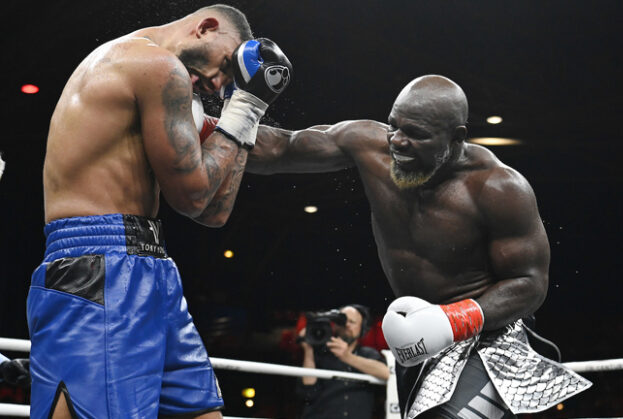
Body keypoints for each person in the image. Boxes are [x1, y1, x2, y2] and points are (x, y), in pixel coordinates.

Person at [247, 75, 590, 418]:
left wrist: (452, 321)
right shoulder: (369, 145)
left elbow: (530, 283)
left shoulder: (497, 187)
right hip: (416, 343)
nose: (397, 141)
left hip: (488, 338)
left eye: (416, 134)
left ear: (456, 137)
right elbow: (282, 148)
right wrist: (212, 122)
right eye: (393, 126)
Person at [28, 4, 291, 418]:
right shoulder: (153, 66)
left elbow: (213, 213)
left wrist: (247, 108)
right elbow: (192, 198)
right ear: (206, 27)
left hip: (149, 269)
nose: (219, 84)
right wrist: (246, 106)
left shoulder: (155, 72)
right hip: (100, 269)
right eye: (227, 66)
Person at [297, 305, 389, 419]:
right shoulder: (320, 352)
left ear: (362, 328)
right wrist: (309, 349)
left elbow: (387, 373)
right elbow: (308, 393)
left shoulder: (368, 354)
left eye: (352, 322)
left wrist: (347, 357)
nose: (347, 325)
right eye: (342, 320)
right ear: (335, 325)